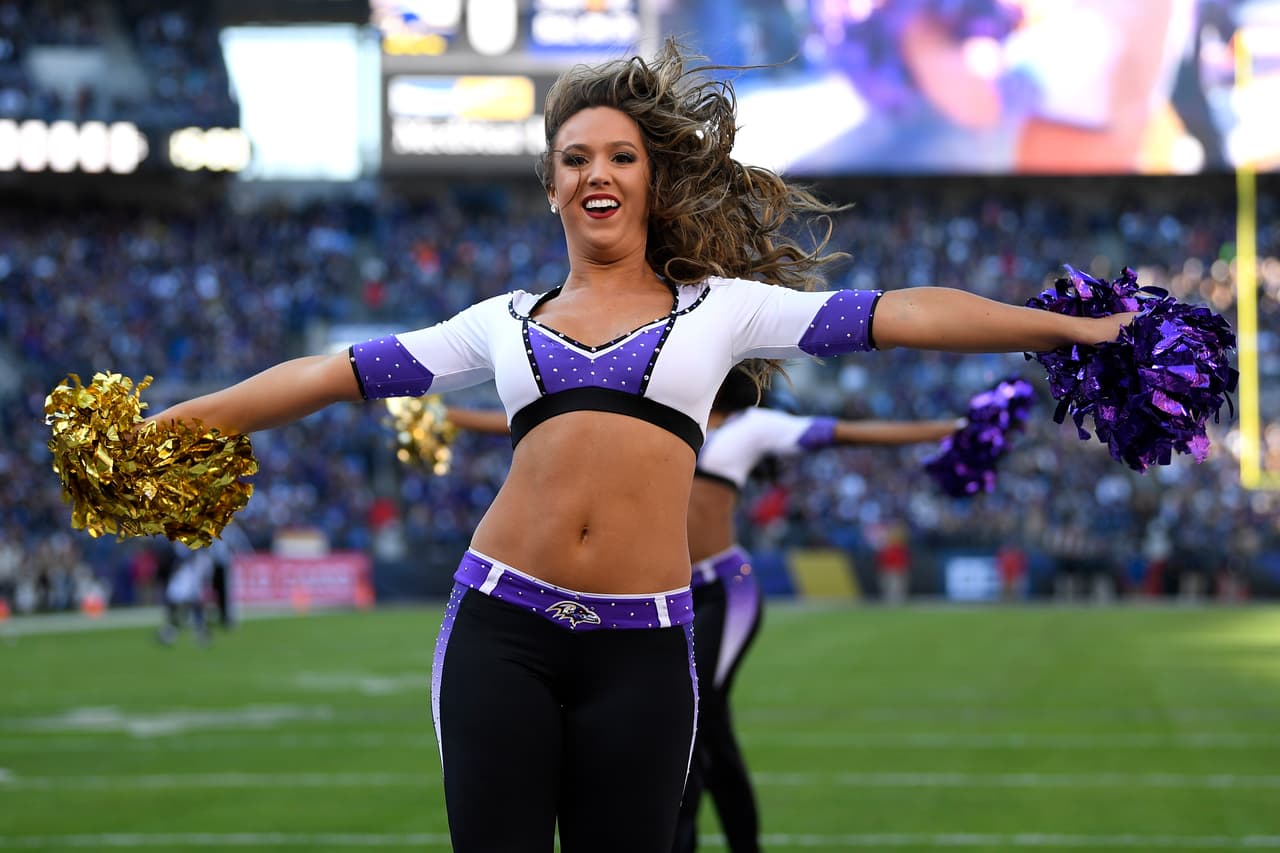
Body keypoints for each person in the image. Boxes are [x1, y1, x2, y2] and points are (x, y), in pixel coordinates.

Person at [146, 39, 1134, 851]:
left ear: (651, 180)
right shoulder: (497, 322)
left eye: (619, 155)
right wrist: (168, 427)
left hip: (647, 647)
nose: (596, 173)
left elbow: (897, 313)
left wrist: (1064, 329)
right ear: (550, 189)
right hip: (500, 629)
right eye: (574, 159)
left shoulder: (724, 310)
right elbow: (328, 374)